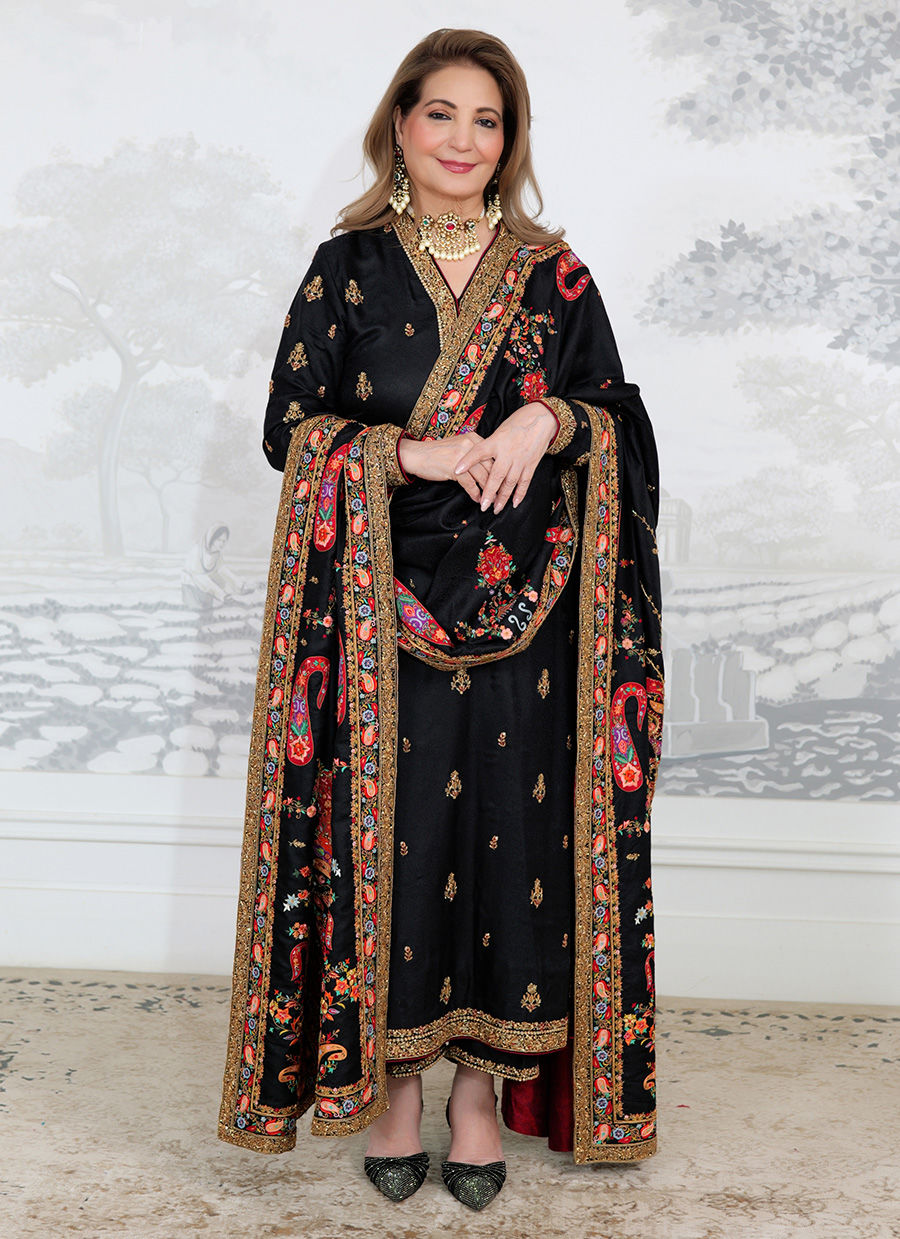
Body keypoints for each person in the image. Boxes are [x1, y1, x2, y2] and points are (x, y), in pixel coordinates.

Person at [218, 28, 664, 1211]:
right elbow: (289, 427)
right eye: (442, 114)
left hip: (535, 612)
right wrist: (406, 454)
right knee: (398, 843)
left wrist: (545, 422)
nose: (464, 140)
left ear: (509, 143)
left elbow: (617, 413)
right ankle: (396, 1091)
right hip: (382, 613)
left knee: (513, 844)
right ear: (400, 128)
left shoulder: (554, 276)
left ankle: (479, 1098)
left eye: (488, 121)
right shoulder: (349, 267)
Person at [180, 524, 247, 610]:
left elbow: (223, 570)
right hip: (191, 587)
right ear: (211, 538)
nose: (222, 543)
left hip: (206, 587)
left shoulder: (217, 554)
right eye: (219, 540)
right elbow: (200, 578)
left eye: (224, 541)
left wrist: (240, 585)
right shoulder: (197, 552)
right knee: (201, 609)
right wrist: (222, 595)